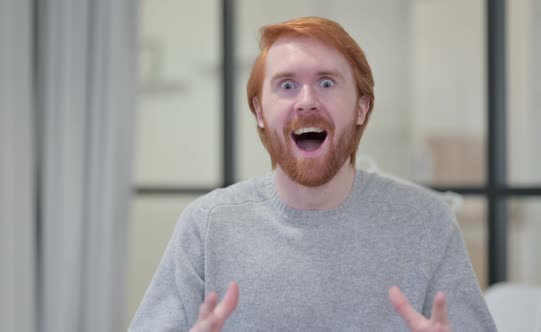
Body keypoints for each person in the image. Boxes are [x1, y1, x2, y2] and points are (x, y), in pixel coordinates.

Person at [129, 16, 497, 332]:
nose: (306, 100)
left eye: (326, 82)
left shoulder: (427, 222)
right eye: (286, 85)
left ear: (361, 108)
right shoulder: (207, 225)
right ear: (259, 111)